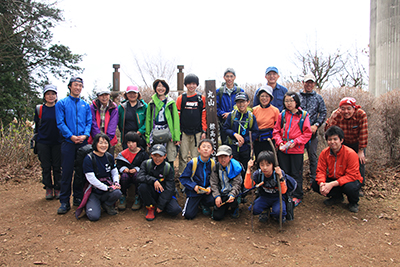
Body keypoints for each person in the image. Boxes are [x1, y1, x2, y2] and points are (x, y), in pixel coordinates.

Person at [55, 77, 91, 214]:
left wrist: (85, 135)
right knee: (67, 172)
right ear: (70, 87)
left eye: (80, 85)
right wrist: (70, 136)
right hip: (68, 142)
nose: (78, 88)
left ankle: (78, 197)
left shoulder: (85, 105)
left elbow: (89, 122)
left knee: (81, 172)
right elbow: (60, 122)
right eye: (75, 85)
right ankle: (64, 201)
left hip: (83, 143)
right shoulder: (62, 103)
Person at [272, 91, 312, 207]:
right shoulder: (282, 115)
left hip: (296, 150)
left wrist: (296, 142)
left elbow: (307, 133)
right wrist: (279, 142)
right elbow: (276, 131)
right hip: (283, 149)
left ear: (296, 101)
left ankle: (297, 195)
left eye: (291, 101)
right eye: (286, 101)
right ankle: (285, 193)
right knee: (284, 172)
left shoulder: (303, 115)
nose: (289, 103)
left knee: (296, 173)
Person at [312, 126, 363, 213]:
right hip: (334, 179)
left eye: (335, 139)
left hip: (350, 180)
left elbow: (352, 175)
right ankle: (337, 197)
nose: (332, 142)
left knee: (350, 187)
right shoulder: (325, 153)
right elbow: (320, 171)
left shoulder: (350, 153)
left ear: (341, 140)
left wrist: (332, 184)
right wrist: (321, 183)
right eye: (329, 139)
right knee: (315, 184)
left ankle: (353, 202)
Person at [325, 97, 368, 195]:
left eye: (349, 108)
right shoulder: (337, 115)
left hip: (357, 143)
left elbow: (363, 133)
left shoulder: (361, 114)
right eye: (343, 108)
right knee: (341, 163)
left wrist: (361, 150)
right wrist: (331, 119)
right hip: (342, 143)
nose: (346, 111)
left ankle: (359, 186)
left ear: (354, 108)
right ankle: (341, 185)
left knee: (359, 162)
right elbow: (330, 132)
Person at [76, 133, 122, 221]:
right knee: (94, 217)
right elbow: (91, 179)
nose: (103, 145)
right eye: (100, 143)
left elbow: (114, 171)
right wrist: (106, 188)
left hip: (107, 189)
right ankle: (92, 204)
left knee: (118, 192)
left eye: (106, 143)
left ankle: (107, 204)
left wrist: (116, 182)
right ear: (95, 144)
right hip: (94, 191)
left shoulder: (109, 156)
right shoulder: (89, 158)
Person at [245, 151, 294, 222]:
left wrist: (280, 176)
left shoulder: (278, 173)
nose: (265, 168)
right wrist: (248, 169)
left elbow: (283, 191)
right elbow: (248, 186)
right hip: (264, 196)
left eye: (268, 165)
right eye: (262, 165)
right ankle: (265, 211)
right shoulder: (258, 174)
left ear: (273, 165)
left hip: (278, 197)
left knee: (279, 212)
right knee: (253, 209)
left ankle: (278, 215)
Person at [137, 144, 182, 221]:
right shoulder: (146, 164)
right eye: (155, 156)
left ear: (165, 156)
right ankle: (150, 207)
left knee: (175, 210)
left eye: (160, 156)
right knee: (143, 186)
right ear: (151, 155)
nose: (157, 159)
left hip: (163, 192)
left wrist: (161, 205)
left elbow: (170, 188)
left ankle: (159, 206)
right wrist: (154, 180)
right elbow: (139, 177)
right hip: (151, 192)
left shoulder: (168, 168)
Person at [34, 84, 62, 200]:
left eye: (53, 94)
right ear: (44, 96)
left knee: (57, 167)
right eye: (48, 94)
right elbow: (36, 125)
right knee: (45, 167)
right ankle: (48, 188)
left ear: (56, 96)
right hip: (43, 142)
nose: (51, 96)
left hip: (57, 141)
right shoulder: (39, 109)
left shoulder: (60, 108)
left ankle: (58, 188)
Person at [299, 73, 327, 185]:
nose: (309, 85)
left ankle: (314, 179)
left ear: (314, 84)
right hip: (298, 134)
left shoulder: (318, 97)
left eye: (311, 82)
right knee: (298, 157)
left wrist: (316, 124)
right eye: (307, 82)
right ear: (303, 83)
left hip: (312, 133)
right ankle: (298, 178)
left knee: (313, 156)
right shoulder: (297, 96)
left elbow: (323, 112)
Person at [176, 73, 207, 176]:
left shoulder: (201, 98)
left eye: (194, 83)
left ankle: (195, 177)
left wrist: (204, 130)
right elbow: (178, 117)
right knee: (183, 156)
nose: (191, 86)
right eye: (189, 83)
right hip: (184, 132)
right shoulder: (181, 98)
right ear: (186, 85)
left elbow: (203, 115)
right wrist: (178, 132)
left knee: (196, 156)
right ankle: (183, 178)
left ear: (197, 85)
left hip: (197, 132)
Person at [145, 78, 180, 167]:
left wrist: (176, 136)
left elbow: (175, 120)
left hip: (169, 132)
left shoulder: (171, 103)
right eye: (158, 86)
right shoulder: (151, 103)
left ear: (166, 89)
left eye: (163, 86)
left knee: (170, 156)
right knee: (156, 156)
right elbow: (148, 121)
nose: (161, 88)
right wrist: (148, 137)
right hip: (155, 131)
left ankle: (170, 179)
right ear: (155, 88)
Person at [223, 92, 259, 172]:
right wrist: (234, 134)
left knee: (246, 170)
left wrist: (244, 140)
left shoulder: (251, 117)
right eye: (238, 102)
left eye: (243, 101)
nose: (241, 104)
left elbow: (255, 132)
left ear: (248, 102)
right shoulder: (232, 115)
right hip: (233, 148)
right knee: (233, 169)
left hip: (246, 149)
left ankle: (245, 184)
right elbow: (225, 129)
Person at [180, 139, 215, 220]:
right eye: (203, 147)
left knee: (214, 200)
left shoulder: (213, 164)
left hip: (207, 192)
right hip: (194, 192)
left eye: (208, 147)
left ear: (212, 151)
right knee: (189, 215)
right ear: (198, 149)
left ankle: (203, 204)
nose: (206, 149)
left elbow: (215, 180)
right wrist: (194, 186)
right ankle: (197, 203)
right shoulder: (193, 163)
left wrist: (210, 187)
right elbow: (183, 178)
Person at [115, 131, 149, 211]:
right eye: (128, 142)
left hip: (137, 175)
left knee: (137, 177)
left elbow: (146, 166)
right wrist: (123, 169)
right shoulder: (123, 154)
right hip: (126, 174)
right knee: (124, 177)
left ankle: (137, 197)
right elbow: (118, 165)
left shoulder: (143, 154)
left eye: (133, 142)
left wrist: (136, 169)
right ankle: (122, 196)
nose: (131, 144)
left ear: (137, 142)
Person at [210, 145, 242, 220]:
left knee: (234, 201)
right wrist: (217, 195)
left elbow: (237, 184)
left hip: (232, 194)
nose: (222, 159)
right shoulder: (216, 167)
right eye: (220, 156)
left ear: (230, 157)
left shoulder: (236, 168)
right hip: (222, 193)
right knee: (217, 217)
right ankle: (224, 208)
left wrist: (232, 194)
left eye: (225, 156)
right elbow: (213, 183)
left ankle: (234, 208)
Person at [216, 68, 244, 145]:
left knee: (237, 143)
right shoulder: (219, 92)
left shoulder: (240, 91)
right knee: (225, 144)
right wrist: (223, 114)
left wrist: (231, 114)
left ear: (234, 77)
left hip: (237, 121)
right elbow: (216, 107)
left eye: (231, 76)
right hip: (224, 122)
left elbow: (243, 106)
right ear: (224, 77)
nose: (229, 79)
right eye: (227, 76)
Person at [252, 85, 280, 158]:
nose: (264, 98)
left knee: (270, 161)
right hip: (258, 140)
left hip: (270, 140)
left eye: (267, 96)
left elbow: (278, 127)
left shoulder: (275, 110)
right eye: (262, 96)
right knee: (259, 160)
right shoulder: (254, 110)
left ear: (270, 98)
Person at [88, 88, 118, 155]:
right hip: (95, 139)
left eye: (106, 95)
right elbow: (93, 123)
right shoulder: (93, 107)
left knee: (109, 160)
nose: (104, 97)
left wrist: (106, 139)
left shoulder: (113, 107)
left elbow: (113, 124)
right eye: (102, 95)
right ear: (98, 96)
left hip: (109, 140)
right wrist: (98, 139)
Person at [118, 85, 148, 150]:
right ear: (126, 94)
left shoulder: (144, 106)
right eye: (130, 93)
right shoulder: (121, 107)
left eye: (134, 93)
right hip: (126, 137)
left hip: (140, 136)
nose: (132, 95)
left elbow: (148, 120)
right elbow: (119, 122)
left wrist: (141, 131)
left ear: (138, 94)